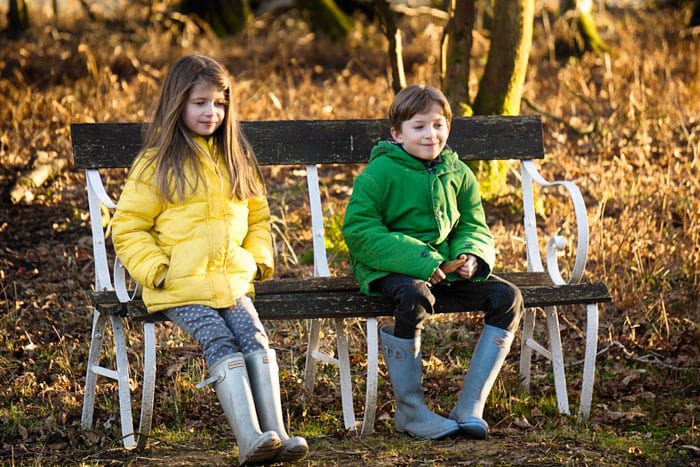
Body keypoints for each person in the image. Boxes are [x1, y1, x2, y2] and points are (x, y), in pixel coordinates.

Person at [111, 54, 308, 465]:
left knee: (253, 335)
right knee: (218, 338)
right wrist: (155, 269)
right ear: (178, 102)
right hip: (180, 283)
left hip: (230, 281)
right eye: (200, 102)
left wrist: (255, 259)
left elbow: (258, 216)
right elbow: (128, 227)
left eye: (219, 103)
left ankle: (279, 433)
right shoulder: (157, 163)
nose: (211, 112)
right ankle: (249, 438)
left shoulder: (234, 156)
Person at [342, 84, 523, 441]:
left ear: (449, 128)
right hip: (390, 269)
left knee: (508, 297)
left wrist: (471, 255)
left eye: (438, 125)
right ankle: (410, 412)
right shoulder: (379, 173)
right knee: (414, 296)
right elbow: (360, 230)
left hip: (446, 271)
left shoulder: (459, 174)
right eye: (419, 126)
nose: (431, 134)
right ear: (398, 133)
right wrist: (421, 260)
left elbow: (472, 223)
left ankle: (470, 405)